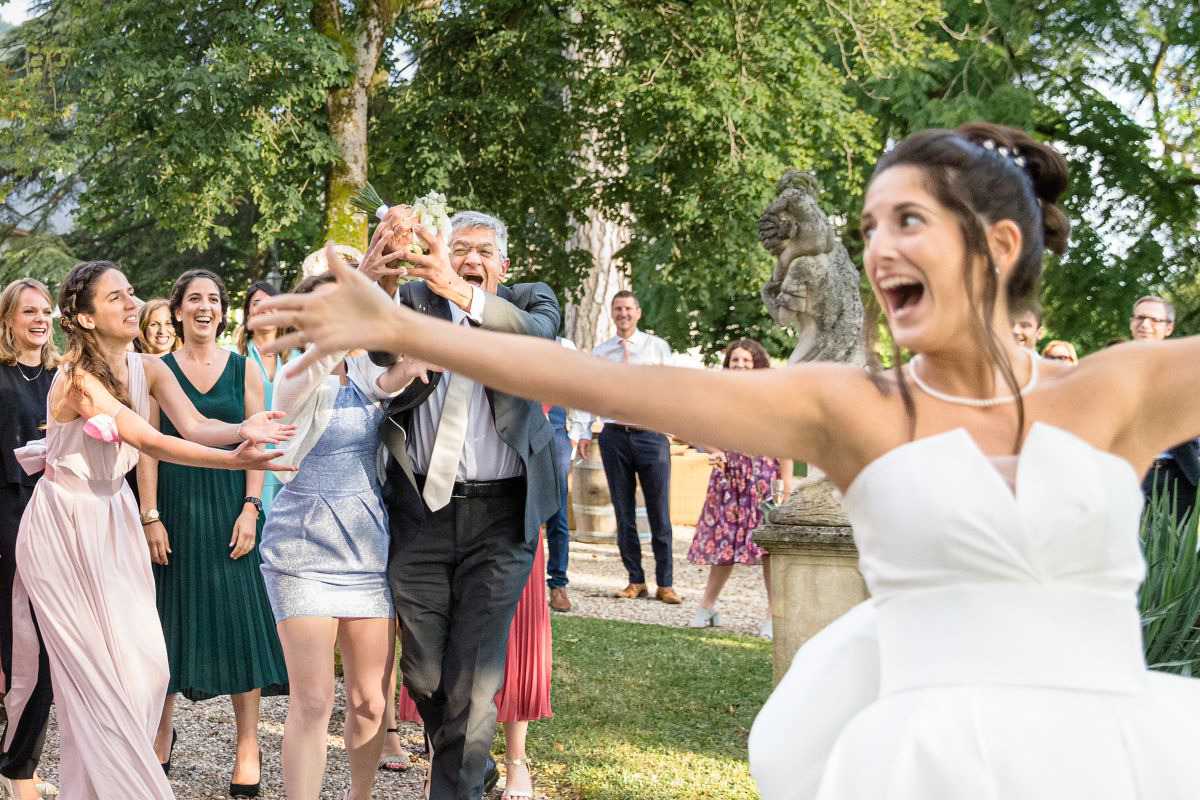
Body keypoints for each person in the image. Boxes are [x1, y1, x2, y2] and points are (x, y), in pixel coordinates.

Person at [252, 121, 1200, 799]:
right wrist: (393, 318)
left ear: (997, 242)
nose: (875, 251)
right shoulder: (852, 407)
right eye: (868, 229)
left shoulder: (1117, 391)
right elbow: (596, 381)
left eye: (906, 222)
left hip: (1117, 755)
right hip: (930, 760)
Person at [13, 260, 293, 799]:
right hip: (64, 525)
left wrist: (242, 428)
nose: (131, 303)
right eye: (115, 297)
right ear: (85, 318)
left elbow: (194, 425)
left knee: (147, 666)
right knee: (96, 675)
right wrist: (236, 462)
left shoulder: (150, 367)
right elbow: (151, 441)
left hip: (112, 518)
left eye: (131, 292)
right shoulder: (77, 378)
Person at [361, 208, 560, 800]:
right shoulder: (415, 299)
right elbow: (374, 348)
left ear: (504, 262)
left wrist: (459, 288)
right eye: (459, 247)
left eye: (481, 250)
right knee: (424, 674)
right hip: (420, 511)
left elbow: (539, 338)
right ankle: (473, 759)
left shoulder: (530, 302)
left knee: (475, 679)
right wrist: (381, 276)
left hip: (503, 517)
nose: (470, 259)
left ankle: (458, 786)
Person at [259, 268, 418, 800]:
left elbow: (388, 380)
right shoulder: (294, 376)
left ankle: (360, 795)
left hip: (367, 549)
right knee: (312, 701)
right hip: (301, 549)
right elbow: (321, 364)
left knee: (370, 699)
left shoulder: (362, 369)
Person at [139, 269, 290, 794]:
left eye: (213, 300)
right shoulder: (154, 369)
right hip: (174, 509)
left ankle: (248, 748)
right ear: (177, 309)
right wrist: (150, 516)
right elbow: (148, 446)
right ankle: (161, 735)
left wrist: (252, 508)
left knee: (241, 624)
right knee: (164, 624)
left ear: (222, 312)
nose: (204, 307)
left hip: (231, 509)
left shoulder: (245, 369)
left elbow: (259, 442)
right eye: (193, 299)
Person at [574, 291, 680, 604]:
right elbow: (588, 392)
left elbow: (673, 388)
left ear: (638, 312)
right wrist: (581, 431)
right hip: (614, 436)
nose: (623, 314)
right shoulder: (601, 351)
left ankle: (666, 583)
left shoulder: (656, 347)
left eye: (628, 309)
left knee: (660, 513)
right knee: (624, 513)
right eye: (618, 309)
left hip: (651, 436)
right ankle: (636, 580)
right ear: (612, 313)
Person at [687, 338, 791, 638]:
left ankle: (773, 614)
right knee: (723, 545)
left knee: (767, 548)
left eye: (747, 361)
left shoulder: (770, 397)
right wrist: (713, 450)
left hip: (762, 480)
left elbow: (786, 442)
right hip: (729, 479)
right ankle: (707, 606)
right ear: (728, 365)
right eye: (735, 361)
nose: (741, 365)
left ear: (758, 364)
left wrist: (785, 486)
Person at [0, 280, 58, 800]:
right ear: (9, 320)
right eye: (29, 312)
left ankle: (21, 765)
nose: (41, 319)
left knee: (48, 651)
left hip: (58, 523)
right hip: (10, 519)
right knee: (17, 651)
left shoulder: (64, 377)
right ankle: (15, 769)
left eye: (46, 311)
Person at [1129, 295, 1199, 520]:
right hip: (1128, 474)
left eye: (1154, 320)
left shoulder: (1187, 369)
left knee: (1173, 551)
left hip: (1178, 476)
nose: (1145, 324)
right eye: (1139, 318)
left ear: (1168, 328)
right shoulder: (1111, 366)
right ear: (1131, 323)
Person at [236, 280, 294, 514]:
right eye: (257, 303)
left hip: (290, 460)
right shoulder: (234, 357)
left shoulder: (299, 356)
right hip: (249, 460)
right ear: (248, 313)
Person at [544, 336, 578, 612]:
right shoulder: (517, 336)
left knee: (558, 513)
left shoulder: (563, 346)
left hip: (556, 435)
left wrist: (576, 435)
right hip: (520, 433)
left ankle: (558, 584)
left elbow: (579, 391)